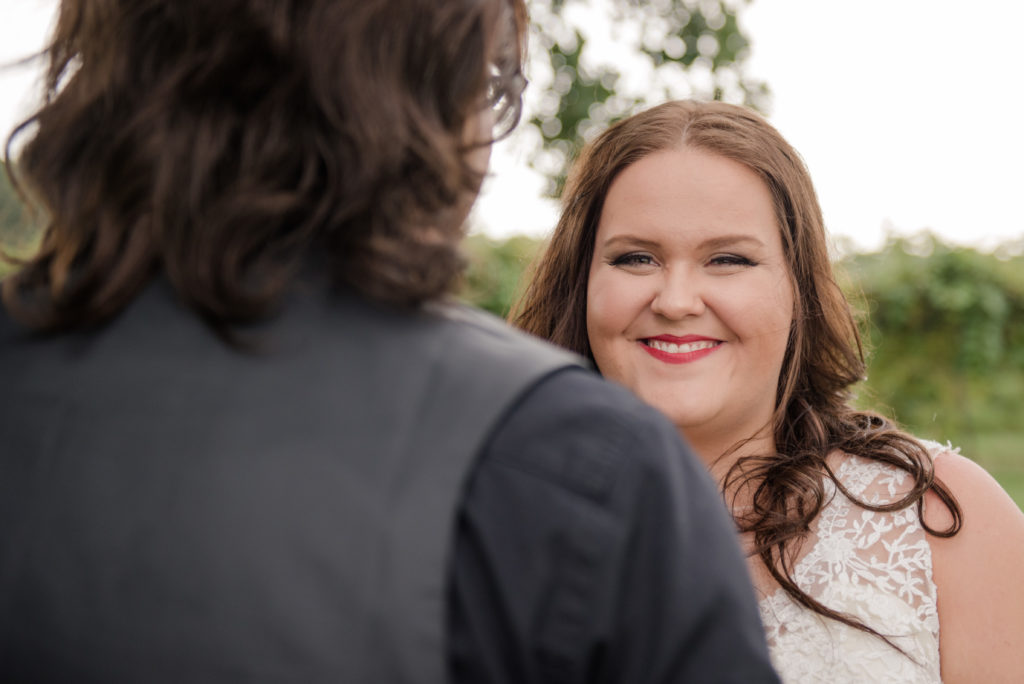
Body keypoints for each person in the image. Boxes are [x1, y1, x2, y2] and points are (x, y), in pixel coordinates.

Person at [0, 4, 781, 683]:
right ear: (433, 105)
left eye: (729, 258)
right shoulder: (579, 467)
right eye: (495, 85)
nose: (676, 300)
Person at [513, 99, 1024, 682]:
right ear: (582, 284)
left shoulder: (943, 521)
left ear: (798, 290)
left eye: (728, 259)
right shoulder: (491, 521)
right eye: (636, 258)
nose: (676, 300)